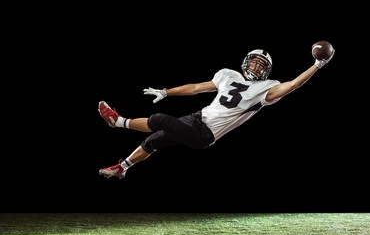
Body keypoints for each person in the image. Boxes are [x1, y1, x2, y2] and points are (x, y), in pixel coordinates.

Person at [98, 46, 335, 179]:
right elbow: (195, 88)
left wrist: (317, 65)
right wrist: (167, 91)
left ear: (266, 71)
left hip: (206, 135)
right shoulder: (227, 75)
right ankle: (123, 167)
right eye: (254, 62)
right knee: (154, 140)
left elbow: (293, 85)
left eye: (261, 65)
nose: (256, 67)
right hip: (198, 118)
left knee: (160, 119)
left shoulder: (267, 88)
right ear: (245, 62)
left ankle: (117, 122)